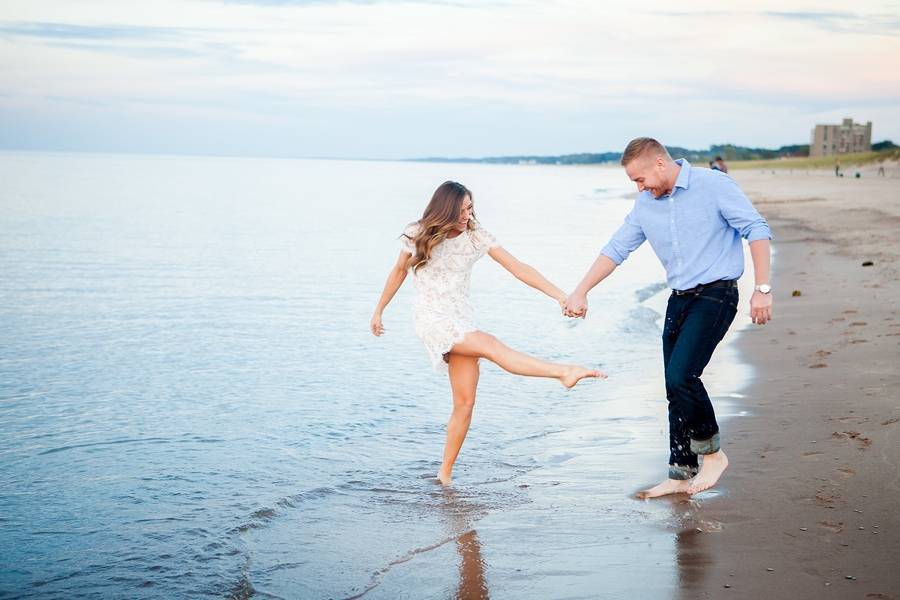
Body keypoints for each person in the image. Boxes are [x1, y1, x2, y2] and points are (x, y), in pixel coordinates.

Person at [564, 138, 772, 498]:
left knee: (682, 375)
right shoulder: (646, 206)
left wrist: (763, 289)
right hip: (679, 300)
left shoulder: (714, 185)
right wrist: (581, 291)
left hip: (717, 293)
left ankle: (713, 454)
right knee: (673, 386)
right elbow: (616, 249)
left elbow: (756, 229)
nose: (639, 188)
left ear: (660, 163)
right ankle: (679, 473)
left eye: (639, 180)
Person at [371, 181, 605, 485]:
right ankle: (563, 372)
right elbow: (399, 271)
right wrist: (379, 310)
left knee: (465, 403)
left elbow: (518, 267)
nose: (469, 215)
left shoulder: (475, 236)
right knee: (491, 345)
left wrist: (560, 296)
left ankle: (444, 476)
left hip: (461, 318)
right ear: (446, 209)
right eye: (463, 209)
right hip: (433, 318)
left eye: (470, 208)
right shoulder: (417, 232)